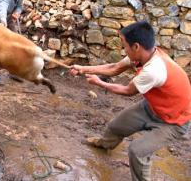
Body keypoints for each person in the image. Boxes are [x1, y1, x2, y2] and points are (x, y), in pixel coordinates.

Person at [70, 21, 191, 181]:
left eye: (125, 46)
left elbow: (127, 91)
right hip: (153, 108)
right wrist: (83, 69)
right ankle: (104, 145)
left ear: (136, 47)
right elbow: (115, 68)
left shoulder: (153, 70)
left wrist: (99, 83)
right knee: (116, 126)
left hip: (174, 122)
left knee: (137, 150)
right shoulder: (144, 55)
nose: (123, 50)